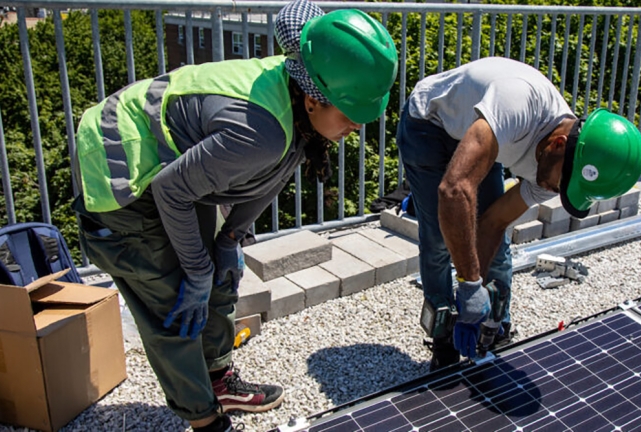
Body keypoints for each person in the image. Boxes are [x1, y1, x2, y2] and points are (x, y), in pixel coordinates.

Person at [71, 0, 397, 430]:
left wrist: (228, 240)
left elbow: (273, 176)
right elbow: (171, 191)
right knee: (173, 302)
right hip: (123, 164)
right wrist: (196, 270)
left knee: (218, 273)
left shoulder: (296, 104)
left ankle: (216, 379)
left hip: (176, 171)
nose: (357, 126)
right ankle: (205, 420)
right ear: (314, 98)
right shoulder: (261, 130)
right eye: (351, 114)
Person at [396, 56, 641, 371]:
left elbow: (492, 223)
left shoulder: (557, 171)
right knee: (438, 240)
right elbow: (454, 189)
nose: (556, 193)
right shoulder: (517, 105)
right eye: (561, 185)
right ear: (557, 143)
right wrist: (471, 284)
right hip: (429, 124)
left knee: (494, 244)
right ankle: (443, 337)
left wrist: (475, 296)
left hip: (484, 133)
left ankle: (494, 326)